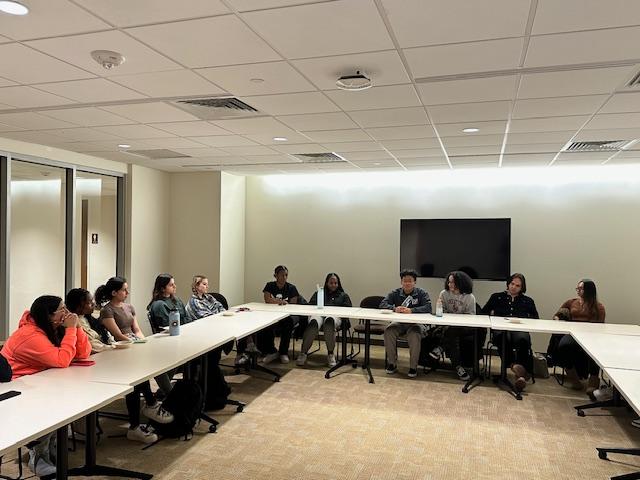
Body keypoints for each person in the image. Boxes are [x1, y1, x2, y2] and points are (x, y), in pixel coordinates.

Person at [0, 295, 91, 475]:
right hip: (16, 388)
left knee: (67, 398)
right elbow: (62, 360)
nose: (67, 313)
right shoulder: (29, 335)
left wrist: (77, 328)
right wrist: (71, 329)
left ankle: (48, 447)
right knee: (55, 403)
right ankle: (38, 455)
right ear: (48, 315)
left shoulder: (52, 328)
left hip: (40, 381)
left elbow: (83, 353)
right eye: (62, 310)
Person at [93, 280, 174, 442]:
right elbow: (118, 335)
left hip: (134, 345)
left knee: (154, 365)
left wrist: (143, 342)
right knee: (140, 375)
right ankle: (158, 402)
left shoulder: (129, 307)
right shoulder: (107, 311)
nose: (127, 293)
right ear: (114, 292)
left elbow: (136, 330)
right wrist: (136, 344)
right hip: (121, 350)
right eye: (124, 290)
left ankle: (158, 402)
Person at [482, 273, 539, 391]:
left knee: (523, 339)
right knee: (503, 337)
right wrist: (491, 314)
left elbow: (535, 319)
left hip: (519, 328)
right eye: (512, 284)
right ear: (508, 284)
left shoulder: (528, 301)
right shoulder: (496, 297)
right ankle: (516, 368)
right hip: (500, 329)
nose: (513, 287)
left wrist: (526, 319)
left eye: (517, 286)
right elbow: (483, 313)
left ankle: (519, 374)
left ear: (522, 288)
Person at [554, 279, 606, 394]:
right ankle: (573, 377)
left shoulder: (599, 307)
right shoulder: (571, 302)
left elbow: (600, 325)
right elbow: (557, 315)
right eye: (577, 288)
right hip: (573, 333)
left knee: (595, 349)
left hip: (590, 335)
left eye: (581, 288)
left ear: (589, 290)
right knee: (563, 346)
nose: (578, 290)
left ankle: (593, 380)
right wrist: (558, 319)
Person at [382, 269, 432, 378]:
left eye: (410, 281)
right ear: (401, 282)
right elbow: (383, 304)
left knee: (414, 334)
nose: (407, 283)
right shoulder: (395, 293)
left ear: (415, 282)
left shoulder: (421, 293)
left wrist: (412, 310)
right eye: (405, 281)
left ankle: (413, 367)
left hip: (416, 324)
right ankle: (392, 363)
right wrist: (395, 308)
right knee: (389, 331)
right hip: (399, 323)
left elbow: (428, 307)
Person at [296, 273, 352, 367]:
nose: (333, 285)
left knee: (329, 322)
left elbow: (348, 309)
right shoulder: (319, 293)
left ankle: (330, 353)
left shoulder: (343, 295)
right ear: (327, 283)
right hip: (319, 315)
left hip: (334, 316)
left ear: (338, 284)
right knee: (313, 323)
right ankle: (303, 353)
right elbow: (311, 306)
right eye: (331, 283)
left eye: (335, 283)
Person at [437, 271, 477, 382]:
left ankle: (441, 347)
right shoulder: (444, 294)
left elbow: (471, 316)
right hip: (448, 326)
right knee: (451, 334)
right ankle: (458, 366)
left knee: (452, 331)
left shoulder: (469, 297)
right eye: (449, 282)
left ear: (461, 283)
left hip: (464, 327)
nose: (450, 285)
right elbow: (441, 311)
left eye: (453, 282)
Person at [259, 265, 300, 364]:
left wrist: (275, 301)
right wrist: (280, 302)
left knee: (288, 323)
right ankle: (271, 351)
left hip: (288, 315)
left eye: (286, 275)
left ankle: (283, 352)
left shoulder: (291, 288)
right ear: (275, 276)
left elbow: (293, 305)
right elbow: (267, 299)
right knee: (266, 323)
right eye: (282, 275)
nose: (284, 277)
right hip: (273, 314)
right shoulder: (269, 285)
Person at [65, 288, 113, 354]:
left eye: (92, 300)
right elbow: (92, 345)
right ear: (78, 306)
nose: (94, 304)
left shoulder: (87, 318)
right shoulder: (72, 323)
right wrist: (112, 347)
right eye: (89, 302)